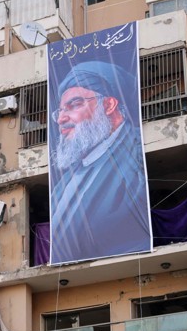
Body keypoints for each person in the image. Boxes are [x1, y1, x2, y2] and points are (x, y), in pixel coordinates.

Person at [49, 60, 152, 264]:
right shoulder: (63, 183)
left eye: (74, 105)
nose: (61, 119)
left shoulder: (138, 154)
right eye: (59, 111)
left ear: (108, 105)